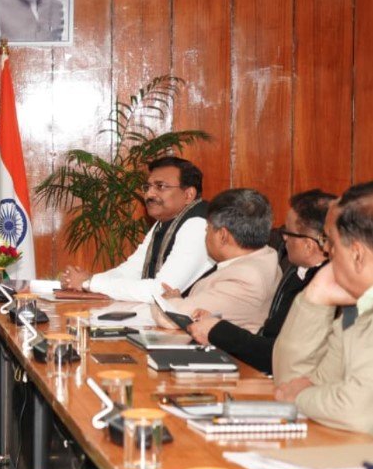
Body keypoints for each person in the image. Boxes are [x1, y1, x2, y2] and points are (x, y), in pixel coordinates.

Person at [187, 190, 333, 372]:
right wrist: (214, 325)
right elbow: (269, 338)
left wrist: (218, 331)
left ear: (309, 246)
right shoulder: (298, 273)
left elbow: (280, 355)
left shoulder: (326, 289)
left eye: (287, 232)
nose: (283, 238)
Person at [274, 182, 373, 434]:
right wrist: (314, 300)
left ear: (357, 254)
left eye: (330, 241)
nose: (326, 250)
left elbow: (358, 411)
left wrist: (299, 398)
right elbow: (292, 383)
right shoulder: (358, 310)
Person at [59, 156, 212, 303]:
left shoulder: (198, 225)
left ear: (188, 195)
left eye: (160, 186)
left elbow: (161, 291)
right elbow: (131, 271)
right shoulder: (163, 222)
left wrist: (89, 283)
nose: (149, 194)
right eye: (148, 187)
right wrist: (88, 281)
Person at [153, 188, 280, 332]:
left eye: (208, 228)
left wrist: (169, 301)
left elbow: (171, 317)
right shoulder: (265, 255)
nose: (205, 234)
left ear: (222, 236)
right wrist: (180, 303)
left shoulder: (245, 278)